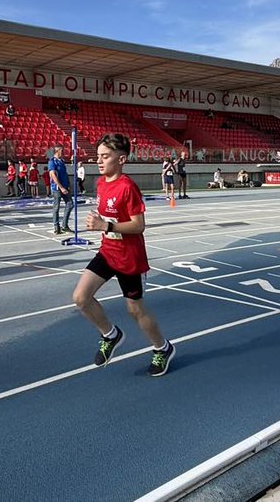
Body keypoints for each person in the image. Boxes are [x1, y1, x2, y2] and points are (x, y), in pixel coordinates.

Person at [74, 132, 175, 377]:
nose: (99, 161)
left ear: (121, 159)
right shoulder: (100, 183)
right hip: (108, 252)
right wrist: (101, 224)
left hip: (129, 258)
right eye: (97, 156)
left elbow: (138, 225)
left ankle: (162, 348)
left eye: (105, 156)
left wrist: (105, 226)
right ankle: (110, 334)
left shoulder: (127, 187)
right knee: (80, 297)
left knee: (135, 310)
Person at [48, 145, 76, 235]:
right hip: (57, 188)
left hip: (65, 186)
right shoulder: (52, 161)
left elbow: (65, 173)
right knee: (56, 207)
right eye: (62, 151)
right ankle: (56, 226)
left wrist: (68, 184)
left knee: (70, 203)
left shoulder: (62, 161)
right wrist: (61, 187)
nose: (63, 153)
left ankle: (64, 225)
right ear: (57, 151)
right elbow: (53, 175)